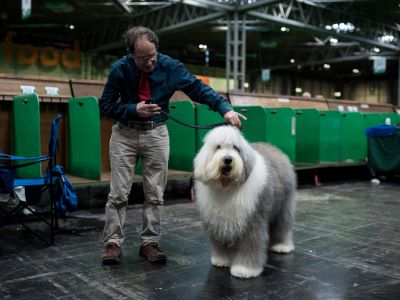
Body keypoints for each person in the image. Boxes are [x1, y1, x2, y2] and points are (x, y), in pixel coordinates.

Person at [99, 26, 246, 265]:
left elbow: (199, 89)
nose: (149, 63)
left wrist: (225, 109)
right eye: (142, 58)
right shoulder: (119, 70)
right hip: (124, 134)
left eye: (152, 56)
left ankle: (149, 242)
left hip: (156, 134)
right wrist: (131, 109)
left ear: (157, 49)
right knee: (118, 194)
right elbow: (104, 105)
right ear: (130, 54)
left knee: (155, 193)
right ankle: (113, 244)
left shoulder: (170, 67)